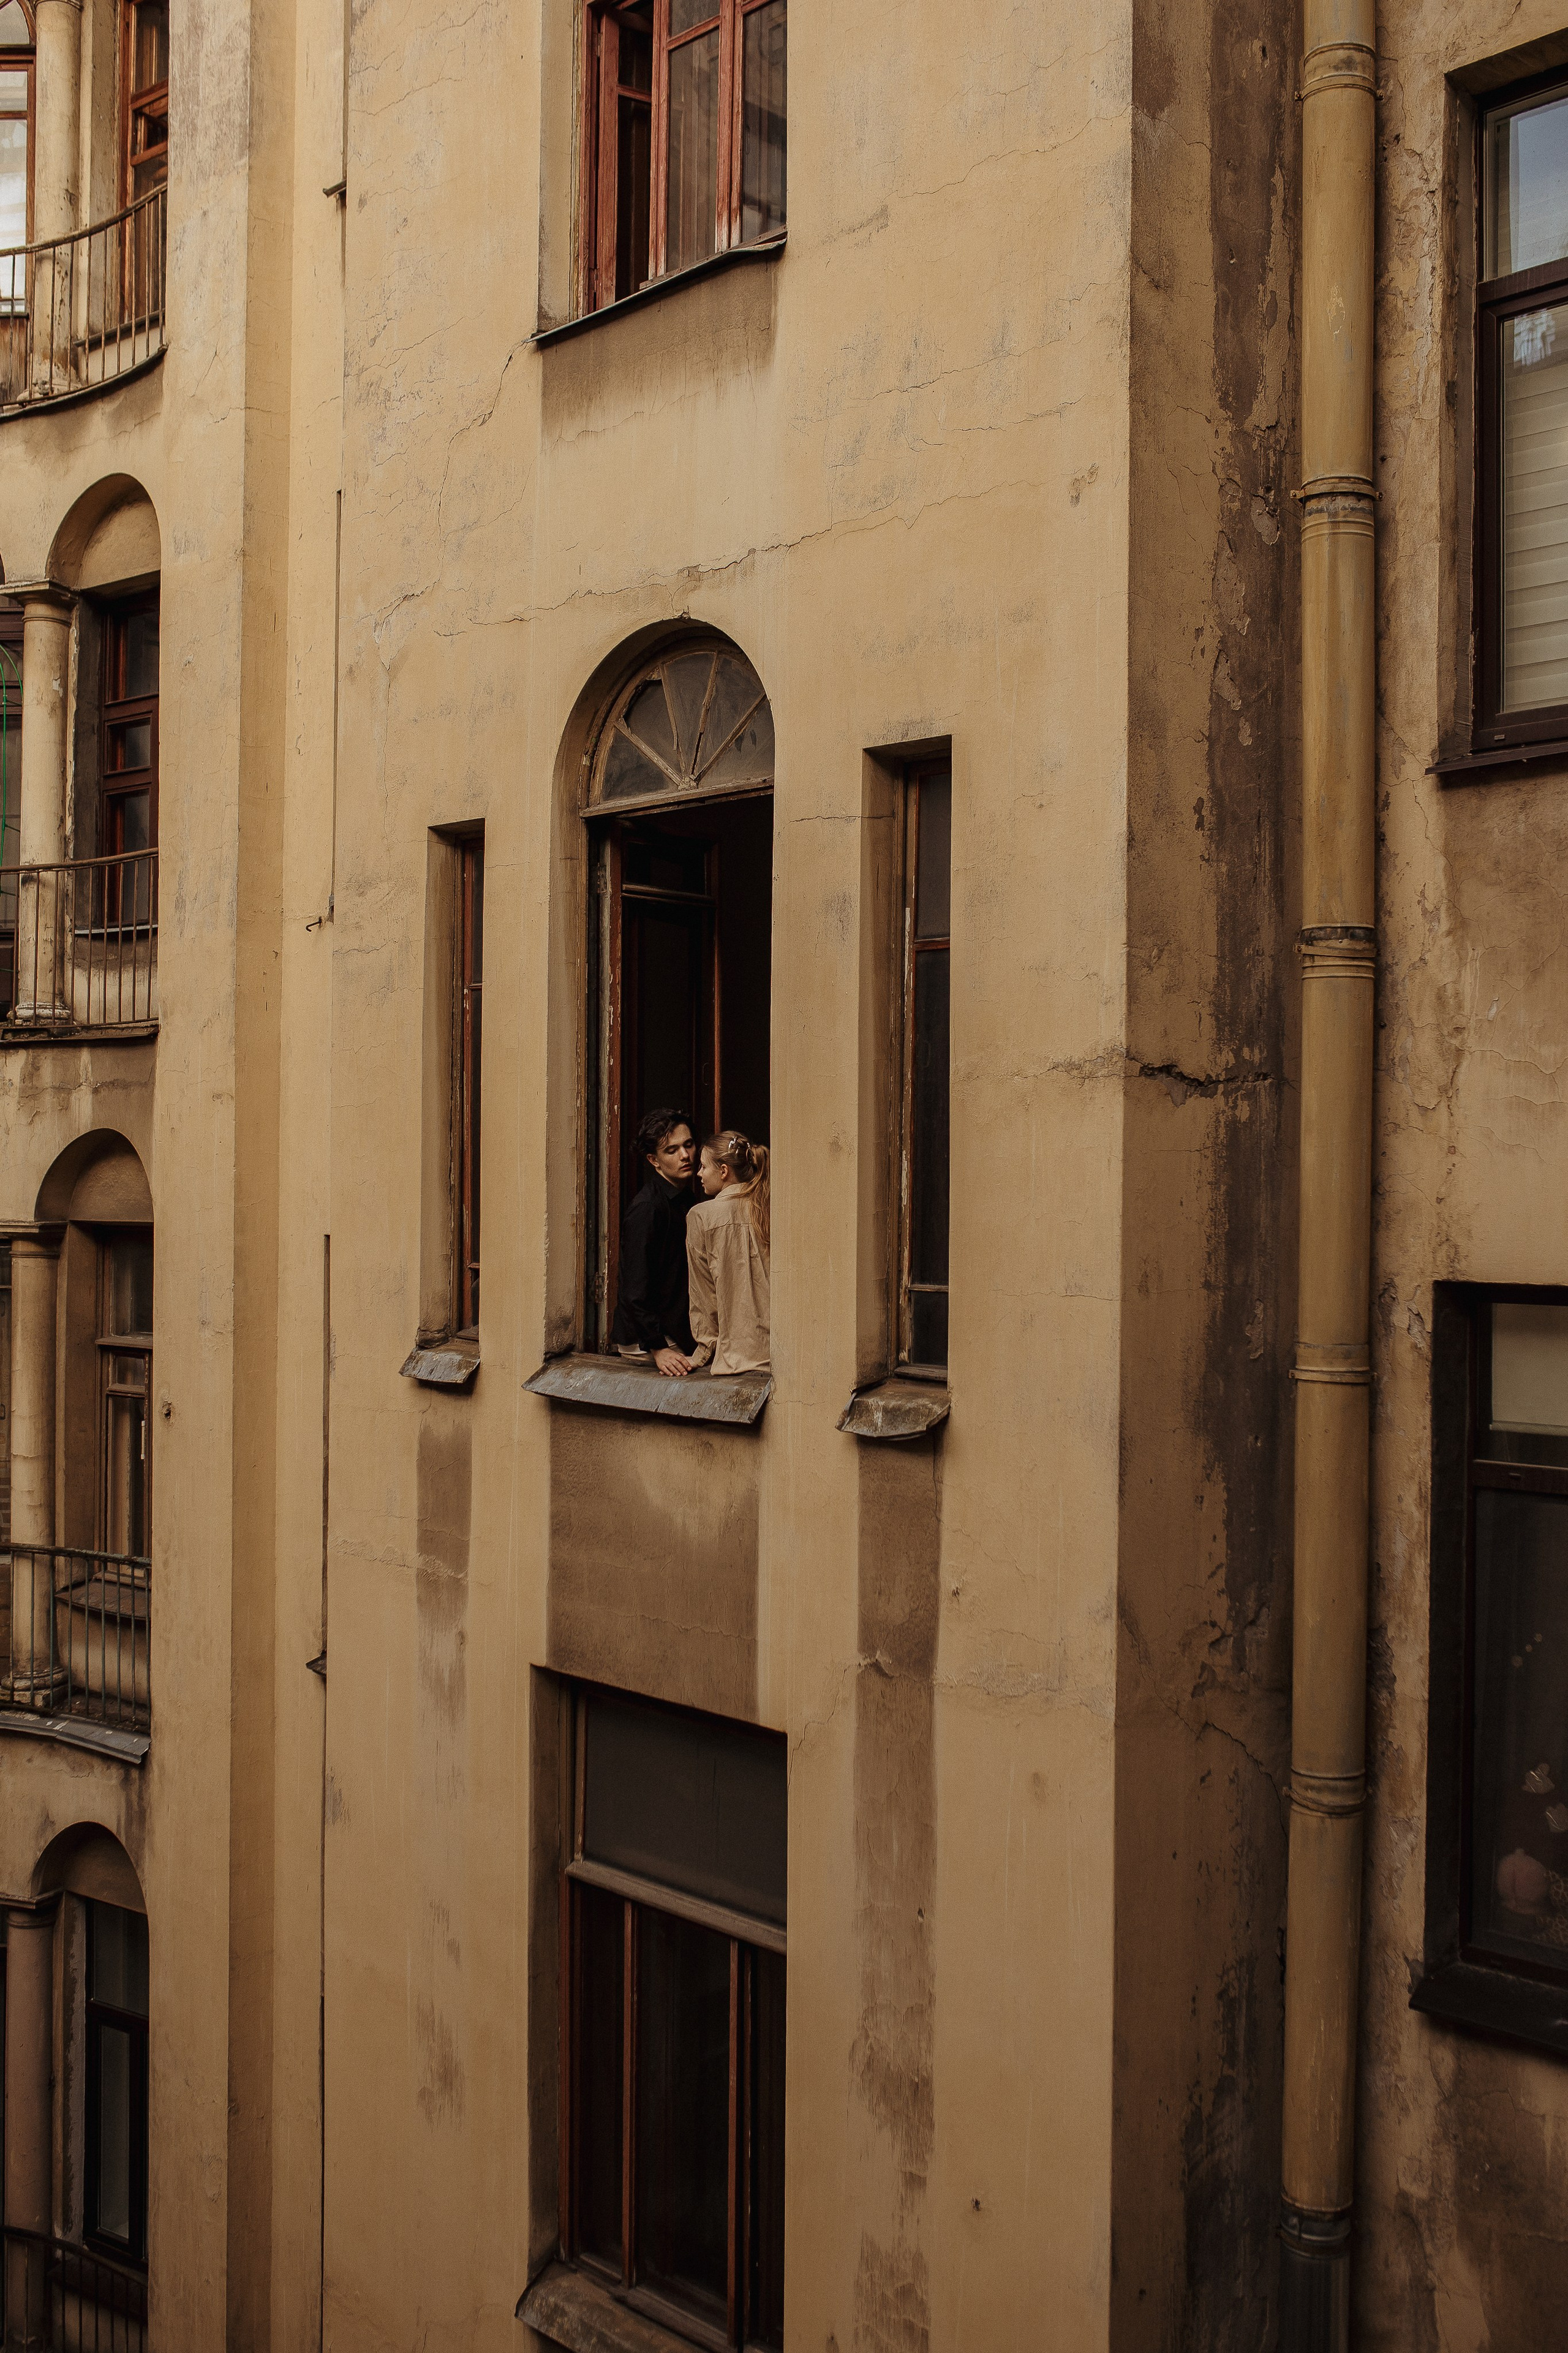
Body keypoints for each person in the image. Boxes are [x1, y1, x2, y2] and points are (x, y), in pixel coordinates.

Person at [611, 1107, 699, 1376]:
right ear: (654, 1160)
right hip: (647, 1338)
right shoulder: (647, 1209)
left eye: (688, 1145)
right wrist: (658, 1348)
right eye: (672, 1151)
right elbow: (634, 1289)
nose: (685, 1156)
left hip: (675, 1327)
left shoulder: (687, 1197)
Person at [686, 1130, 771, 1376]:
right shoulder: (772, 1206)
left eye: (703, 1167)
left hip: (735, 1361)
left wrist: (702, 1353)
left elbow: (704, 1297)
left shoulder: (701, 1217)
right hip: (782, 1358)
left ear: (724, 1171)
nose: (699, 1173)